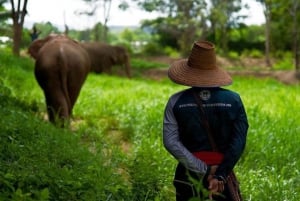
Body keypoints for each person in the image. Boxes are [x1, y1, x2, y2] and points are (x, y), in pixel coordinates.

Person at [163, 40, 249, 201]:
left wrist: (204, 169)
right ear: (214, 69)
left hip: (188, 176)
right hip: (223, 178)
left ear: (189, 71)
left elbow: (170, 142)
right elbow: (239, 141)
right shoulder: (234, 100)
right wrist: (221, 174)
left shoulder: (175, 101)